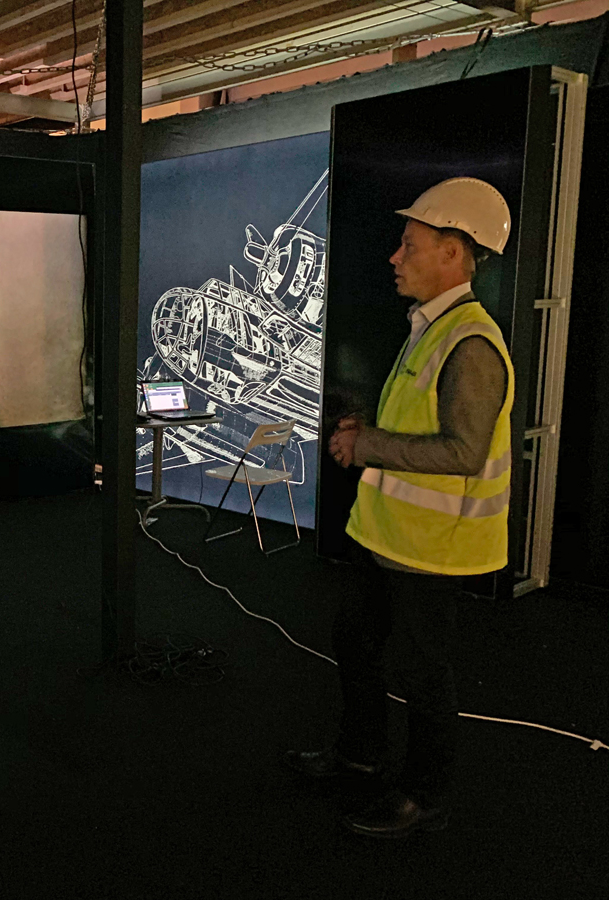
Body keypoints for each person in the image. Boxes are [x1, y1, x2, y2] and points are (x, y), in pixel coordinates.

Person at [285, 177, 515, 838]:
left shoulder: (470, 343)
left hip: (433, 546)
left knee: (422, 671)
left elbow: (464, 451)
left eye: (409, 244)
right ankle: (359, 756)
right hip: (389, 535)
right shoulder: (432, 327)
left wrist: (367, 445)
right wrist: (367, 431)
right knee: (356, 640)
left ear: (452, 253)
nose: (394, 256)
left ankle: (424, 794)